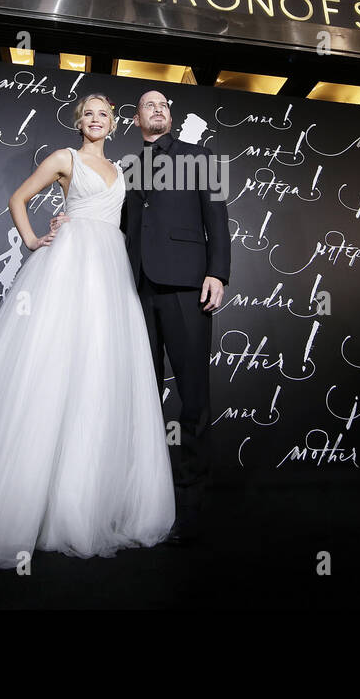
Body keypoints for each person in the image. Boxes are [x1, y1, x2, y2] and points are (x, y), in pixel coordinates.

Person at [0, 93, 175, 569]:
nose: (96, 119)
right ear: (79, 121)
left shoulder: (124, 170)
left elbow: (126, 219)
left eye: (105, 113)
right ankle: (24, 506)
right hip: (67, 265)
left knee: (99, 371)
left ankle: (82, 502)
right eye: (89, 114)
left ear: (115, 122)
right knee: (51, 365)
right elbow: (18, 198)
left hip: (111, 271)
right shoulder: (64, 158)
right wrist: (34, 238)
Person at [51, 88, 229, 544]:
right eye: (149, 105)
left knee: (193, 398)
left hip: (188, 288)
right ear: (132, 119)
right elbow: (110, 220)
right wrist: (66, 223)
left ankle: (190, 502)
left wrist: (218, 273)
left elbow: (218, 220)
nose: (158, 109)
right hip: (134, 289)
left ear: (170, 116)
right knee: (137, 395)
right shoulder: (124, 168)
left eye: (164, 105)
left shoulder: (202, 155)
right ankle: (139, 499)